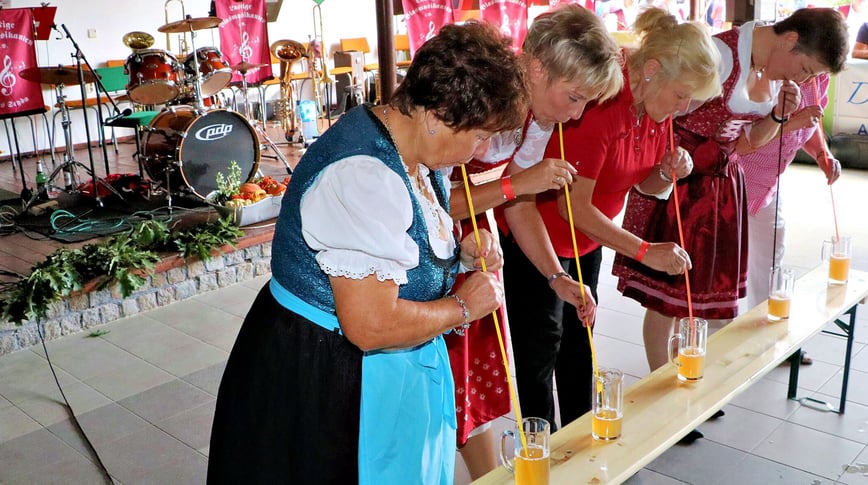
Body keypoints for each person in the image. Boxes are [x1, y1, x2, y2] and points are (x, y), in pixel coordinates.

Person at [206, 21, 527, 484]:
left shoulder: (411, 145)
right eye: (479, 136)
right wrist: (462, 306)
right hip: (318, 376)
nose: (480, 150)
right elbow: (371, 326)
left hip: (359, 367)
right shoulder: (362, 175)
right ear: (437, 116)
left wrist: (456, 256)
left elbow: (399, 248)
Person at [613, 7, 849, 441]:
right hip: (682, 182)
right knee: (668, 297)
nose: (802, 79)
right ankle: (663, 396)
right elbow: (662, 116)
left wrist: (779, 119)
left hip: (723, 186)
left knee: (697, 296)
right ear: (789, 40)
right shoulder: (721, 55)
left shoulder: (775, 73)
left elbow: (744, 142)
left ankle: (683, 383)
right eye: (804, 68)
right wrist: (669, 168)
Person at [502, 7, 721, 432]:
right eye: (681, 95)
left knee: (579, 342)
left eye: (691, 100)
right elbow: (571, 206)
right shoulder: (602, 102)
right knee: (540, 349)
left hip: (588, 238)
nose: (685, 107)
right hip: (537, 231)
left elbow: (640, 182)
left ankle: (581, 443)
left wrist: (667, 170)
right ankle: (540, 451)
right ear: (652, 70)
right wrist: (644, 251)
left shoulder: (658, 110)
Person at [443, 4, 622, 479]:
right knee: (434, 384)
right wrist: (503, 192)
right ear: (537, 69)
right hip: (411, 239)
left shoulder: (537, 117)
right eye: (575, 98)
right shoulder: (471, 98)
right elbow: (427, 200)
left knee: (466, 381)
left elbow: (518, 207)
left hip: (460, 244)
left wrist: (557, 277)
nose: (576, 114)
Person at [739, 74, 842, 361]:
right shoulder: (774, 71)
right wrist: (794, 120)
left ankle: (772, 336)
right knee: (723, 265)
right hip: (736, 176)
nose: (822, 72)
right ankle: (709, 342)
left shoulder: (820, 77)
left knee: (772, 257)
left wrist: (822, 155)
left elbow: (812, 124)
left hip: (770, 181)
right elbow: (746, 136)